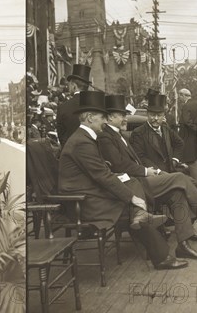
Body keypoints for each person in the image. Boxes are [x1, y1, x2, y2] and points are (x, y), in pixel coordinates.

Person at [59, 91, 188, 270]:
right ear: (89, 117)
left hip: (89, 193)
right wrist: (131, 198)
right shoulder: (82, 142)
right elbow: (102, 175)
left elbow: (100, 171)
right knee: (133, 208)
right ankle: (161, 255)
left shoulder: (84, 138)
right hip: (84, 202)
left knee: (135, 199)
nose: (105, 121)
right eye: (102, 117)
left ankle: (156, 247)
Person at [98, 95, 197, 259]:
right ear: (109, 117)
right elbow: (120, 166)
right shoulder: (106, 136)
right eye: (121, 115)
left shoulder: (118, 134)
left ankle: (183, 245)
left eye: (124, 115)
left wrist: (160, 165)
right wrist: (147, 171)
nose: (125, 118)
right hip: (133, 185)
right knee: (179, 178)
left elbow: (134, 159)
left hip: (142, 178)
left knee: (177, 194)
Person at [130, 92, 185, 173]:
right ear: (147, 114)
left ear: (163, 116)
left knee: (192, 182)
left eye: (159, 115)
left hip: (171, 171)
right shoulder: (138, 132)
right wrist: (158, 171)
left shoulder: (166, 129)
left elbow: (180, 143)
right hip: (154, 175)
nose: (155, 118)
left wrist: (175, 160)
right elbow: (141, 157)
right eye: (152, 115)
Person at [57, 64, 92, 147]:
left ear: (74, 86)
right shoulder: (95, 105)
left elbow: (61, 136)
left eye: (69, 84)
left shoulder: (63, 107)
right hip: (92, 152)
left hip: (70, 152)